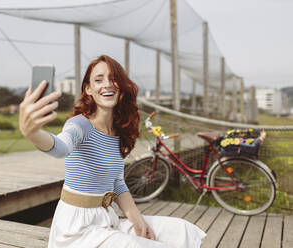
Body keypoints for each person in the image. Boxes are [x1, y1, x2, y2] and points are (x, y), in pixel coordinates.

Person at [19, 55, 206, 248]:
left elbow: (117, 182)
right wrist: (32, 133)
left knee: (181, 229)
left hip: (108, 220)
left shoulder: (118, 132)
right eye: (98, 80)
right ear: (88, 89)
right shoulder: (79, 125)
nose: (106, 84)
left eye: (112, 78)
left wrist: (137, 218)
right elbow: (60, 148)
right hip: (76, 230)